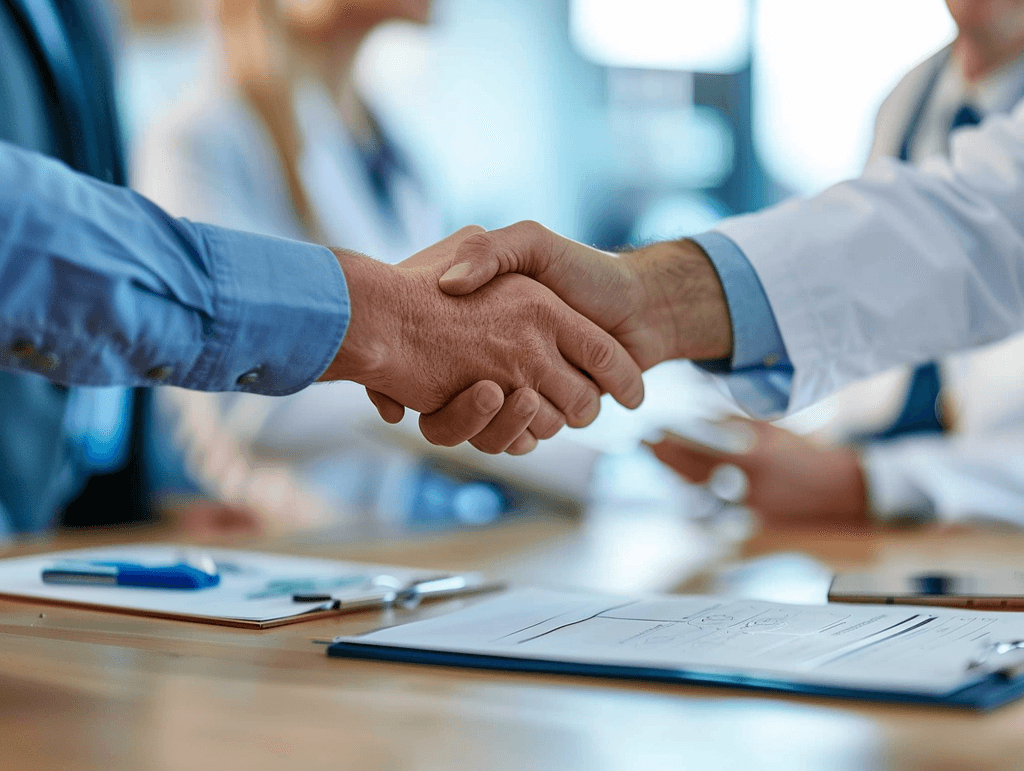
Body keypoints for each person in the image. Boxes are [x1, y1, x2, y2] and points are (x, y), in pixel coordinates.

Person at [0, 0, 644, 537]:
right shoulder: (204, 138)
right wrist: (420, 348)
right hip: (311, 536)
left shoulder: (391, 151)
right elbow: (239, 400)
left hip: (423, 533)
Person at [380, 0, 1024, 515]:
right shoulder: (910, 101)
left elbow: (975, 233)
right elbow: (937, 248)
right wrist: (815, 454)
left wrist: (873, 482)